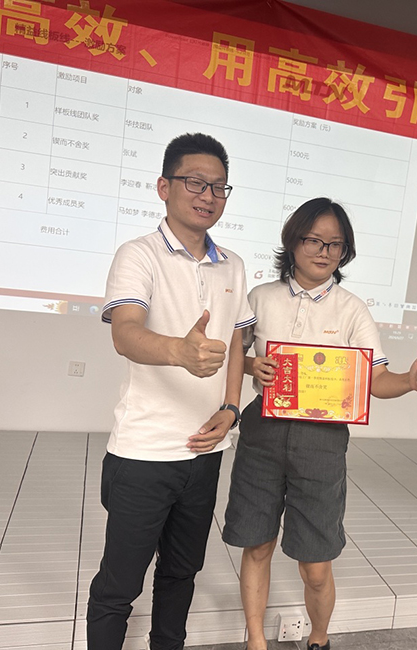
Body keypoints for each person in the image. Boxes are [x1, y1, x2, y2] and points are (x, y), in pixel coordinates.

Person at [222, 197, 417, 650]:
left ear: (344, 251)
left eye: (334, 244)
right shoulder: (260, 297)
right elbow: (233, 357)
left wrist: (409, 380)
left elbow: (375, 379)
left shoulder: (352, 309)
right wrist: (253, 365)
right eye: (314, 240)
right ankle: (256, 641)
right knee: (256, 544)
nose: (323, 251)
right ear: (293, 242)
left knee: (316, 564)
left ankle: (318, 639)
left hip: (322, 440)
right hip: (263, 430)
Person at [87, 133, 256, 650]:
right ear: (164, 187)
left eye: (219, 187)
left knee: (181, 575)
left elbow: (236, 342)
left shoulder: (232, 264)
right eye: (195, 183)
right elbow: (125, 333)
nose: (208, 196)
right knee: (119, 587)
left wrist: (231, 408)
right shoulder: (138, 255)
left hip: (204, 453)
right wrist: (178, 351)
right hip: (143, 453)